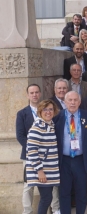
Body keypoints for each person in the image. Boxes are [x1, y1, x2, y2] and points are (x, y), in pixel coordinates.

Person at [16, 85, 60, 214]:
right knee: (46, 198)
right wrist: (40, 170)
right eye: (45, 110)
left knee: (48, 197)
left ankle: (56, 210)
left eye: (50, 110)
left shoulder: (50, 125)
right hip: (41, 168)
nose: (48, 112)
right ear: (40, 112)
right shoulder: (37, 127)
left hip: (49, 168)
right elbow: (32, 149)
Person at [53, 91, 87, 214]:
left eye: (75, 100)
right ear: (65, 102)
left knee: (81, 192)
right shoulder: (57, 117)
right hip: (64, 160)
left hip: (80, 160)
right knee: (64, 192)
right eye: (70, 100)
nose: (72, 103)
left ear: (80, 102)